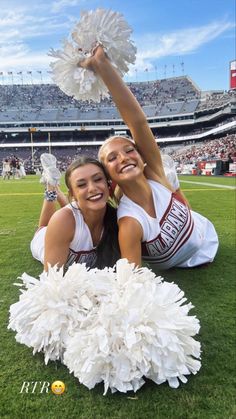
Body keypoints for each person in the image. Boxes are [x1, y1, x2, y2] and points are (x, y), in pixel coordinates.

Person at [80, 46, 219, 270]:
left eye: (129, 150)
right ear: (108, 175)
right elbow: (132, 280)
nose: (124, 158)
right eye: (112, 158)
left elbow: (138, 123)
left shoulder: (155, 175)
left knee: (172, 184)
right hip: (186, 263)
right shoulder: (129, 223)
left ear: (142, 157)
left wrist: (103, 65)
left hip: (206, 234)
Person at [31, 153, 120, 272]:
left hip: (73, 217)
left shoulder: (117, 219)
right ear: (72, 194)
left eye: (98, 179)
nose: (93, 188)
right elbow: (52, 281)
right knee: (43, 227)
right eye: (82, 184)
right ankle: (51, 187)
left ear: (108, 184)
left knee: (73, 214)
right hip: (42, 239)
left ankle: (54, 185)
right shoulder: (62, 221)